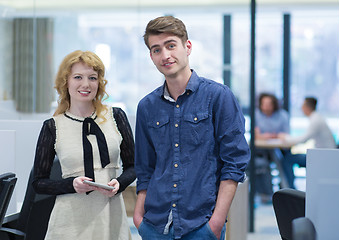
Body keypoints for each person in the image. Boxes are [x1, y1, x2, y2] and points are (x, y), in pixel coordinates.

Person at [133, 16, 250, 240]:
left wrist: (216, 222)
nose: (165, 55)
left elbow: (234, 163)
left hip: (201, 225)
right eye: (156, 50)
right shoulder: (146, 106)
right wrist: (139, 218)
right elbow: (145, 168)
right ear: (151, 56)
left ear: (187, 47)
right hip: (155, 226)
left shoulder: (218, 96)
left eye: (171, 45)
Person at [32, 50, 136, 240]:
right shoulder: (53, 126)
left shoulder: (116, 117)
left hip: (111, 217)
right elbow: (38, 183)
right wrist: (72, 184)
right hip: (69, 223)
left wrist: (119, 183)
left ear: (99, 82)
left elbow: (135, 166)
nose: (86, 84)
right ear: (66, 82)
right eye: (78, 77)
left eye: (92, 78)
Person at [279, 97, 337, 188]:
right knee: (288, 158)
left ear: (307, 107)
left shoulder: (316, 120)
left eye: (302, 106)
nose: (301, 108)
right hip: (322, 155)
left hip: (322, 158)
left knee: (287, 160)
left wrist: (285, 138)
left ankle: (291, 189)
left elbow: (303, 139)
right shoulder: (317, 117)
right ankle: (290, 188)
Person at [254, 93, 290, 202]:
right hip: (260, 149)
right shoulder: (256, 115)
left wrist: (266, 136)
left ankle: (286, 189)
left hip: (279, 149)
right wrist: (271, 135)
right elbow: (256, 134)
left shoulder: (282, 115)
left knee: (280, 160)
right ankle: (264, 193)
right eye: (264, 104)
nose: (266, 107)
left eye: (269, 104)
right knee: (260, 163)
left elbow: (285, 135)